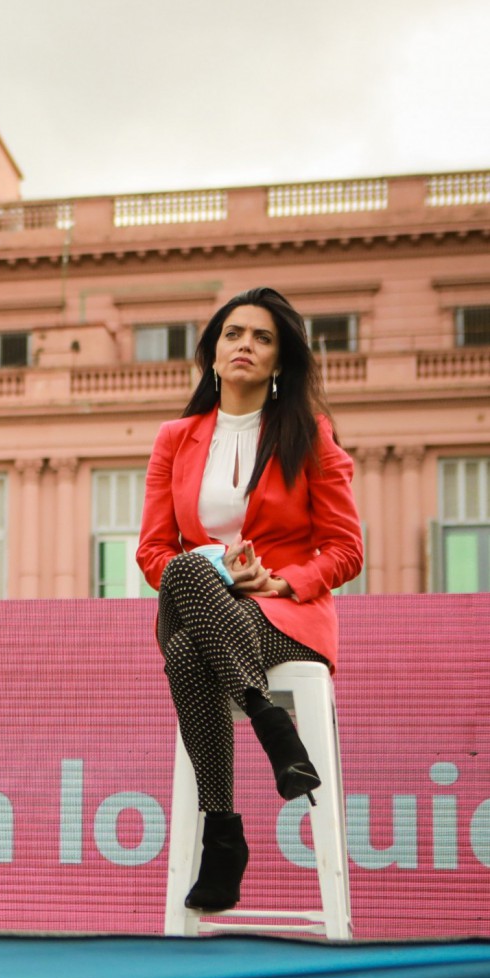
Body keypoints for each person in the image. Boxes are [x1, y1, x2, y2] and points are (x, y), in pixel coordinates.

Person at [137, 287, 362, 913]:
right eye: (234, 334)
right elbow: (152, 553)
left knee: (188, 654)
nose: (246, 345)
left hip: (284, 616)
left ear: (280, 360)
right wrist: (216, 571)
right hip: (198, 598)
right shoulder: (175, 439)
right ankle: (270, 724)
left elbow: (346, 550)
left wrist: (281, 582)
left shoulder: (309, 436)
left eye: (263, 338)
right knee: (187, 568)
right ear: (213, 353)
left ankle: (223, 834)